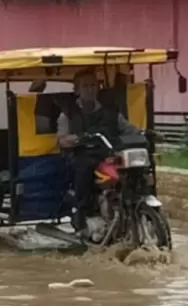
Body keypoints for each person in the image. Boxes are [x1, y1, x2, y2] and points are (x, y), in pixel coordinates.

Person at [56, 69, 141, 236]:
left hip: (108, 154)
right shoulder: (67, 114)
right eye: (85, 86)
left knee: (136, 166)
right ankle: (81, 215)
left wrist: (144, 133)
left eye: (93, 85)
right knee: (84, 167)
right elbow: (62, 140)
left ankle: (132, 203)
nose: (90, 89)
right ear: (77, 90)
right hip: (81, 155)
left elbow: (129, 129)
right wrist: (78, 138)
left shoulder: (111, 112)